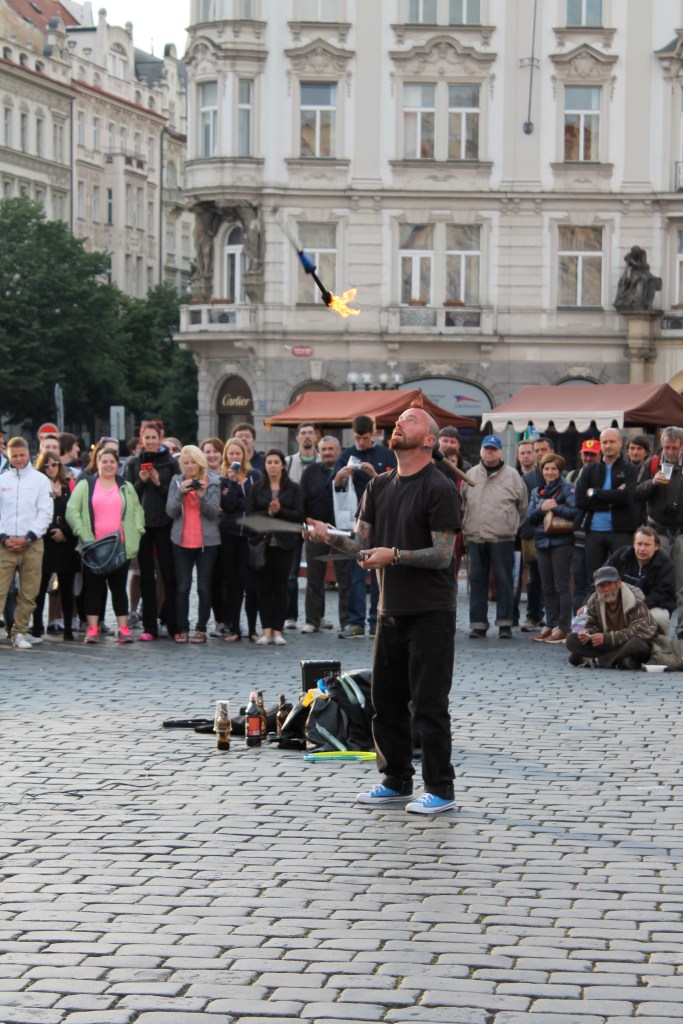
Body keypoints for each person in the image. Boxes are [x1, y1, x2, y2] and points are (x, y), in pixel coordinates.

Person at [307, 406, 461, 815]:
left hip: (431, 611)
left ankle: (440, 789)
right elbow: (361, 544)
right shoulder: (378, 487)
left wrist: (394, 555)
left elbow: (443, 554)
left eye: (411, 420)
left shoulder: (440, 486)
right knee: (385, 702)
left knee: (428, 705)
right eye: (399, 420)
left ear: (428, 440)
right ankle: (396, 780)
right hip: (389, 609)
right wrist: (329, 537)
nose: (399, 424)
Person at [65, 448, 144, 644]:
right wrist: (83, 534)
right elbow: (72, 510)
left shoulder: (126, 486)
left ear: (117, 464)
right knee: (93, 589)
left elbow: (137, 510)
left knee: (119, 589)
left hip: (120, 547)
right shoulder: (86, 485)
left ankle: (123, 628)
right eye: (104, 461)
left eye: (112, 461)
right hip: (93, 547)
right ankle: (93, 628)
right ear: (97, 463)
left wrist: (137, 531)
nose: (108, 465)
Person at [332, 414, 397, 639]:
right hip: (355, 521)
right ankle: (356, 622)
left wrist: (374, 475)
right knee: (357, 574)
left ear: (373, 433)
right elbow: (334, 485)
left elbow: (397, 485)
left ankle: (377, 620)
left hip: (382, 520)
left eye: (365, 438)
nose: (361, 442)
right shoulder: (346, 455)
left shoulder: (386, 454)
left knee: (380, 571)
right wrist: (340, 476)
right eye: (357, 438)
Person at [461, 434, 528, 639]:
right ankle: (478, 624)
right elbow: (463, 503)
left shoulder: (513, 476)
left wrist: (511, 525)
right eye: (486, 449)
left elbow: (523, 507)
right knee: (477, 581)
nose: (489, 452)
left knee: (504, 581)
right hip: (475, 536)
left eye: (493, 449)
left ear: (500, 452)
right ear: (481, 451)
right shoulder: (470, 474)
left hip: (503, 537)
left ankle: (505, 623)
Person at [124, 421, 180, 641]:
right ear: (141, 439)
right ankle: (149, 627)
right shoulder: (133, 462)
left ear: (160, 439)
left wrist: (158, 483)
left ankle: (173, 625)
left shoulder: (170, 463)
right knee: (145, 576)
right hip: (142, 526)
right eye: (146, 438)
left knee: (168, 575)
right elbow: (127, 494)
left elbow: (175, 495)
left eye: (153, 438)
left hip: (165, 524)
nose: (150, 441)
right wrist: (142, 481)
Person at [245, 448, 304, 646]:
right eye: (269, 462)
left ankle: (278, 631)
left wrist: (279, 512)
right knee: (263, 588)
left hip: (285, 543)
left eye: (276, 462)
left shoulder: (293, 488)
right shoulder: (257, 488)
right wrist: (268, 514)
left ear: (283, 465)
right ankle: (266, 631)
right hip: (262, 543)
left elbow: (299, 516)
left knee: (280, 587)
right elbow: (250, 514)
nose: (272, 466)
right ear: (264, 465)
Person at [0, 437, 52, 650]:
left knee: (29, 593)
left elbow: (45, 512)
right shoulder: (2, 480)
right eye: (14, 456)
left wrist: (29, 537)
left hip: (32, 543)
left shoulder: (40, 480)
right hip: (5, 544)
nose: (19, 459)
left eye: (22, 455)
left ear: (28, 454)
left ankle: (20, 632)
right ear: (8, 456)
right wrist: (4, 537)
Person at [166, 445, 221, 644]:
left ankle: (201, 629)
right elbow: (170, 512)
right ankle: (182, 628)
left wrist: (202, 496)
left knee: (204, 587)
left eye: (193, 462)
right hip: (182, 542)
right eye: (186, 463)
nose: (190, 466)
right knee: (182, 587)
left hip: (207, 543)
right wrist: (180, 493)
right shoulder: (176, 481)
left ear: (200, 463)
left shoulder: (213, 482)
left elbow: (214, 513)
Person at [575, 427, 639, 587]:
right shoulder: (590, 469)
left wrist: (595, 492)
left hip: (621, 531)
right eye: (605, 442)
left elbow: (627, 497)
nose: (608, 445)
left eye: (612, 442)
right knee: (594, 579)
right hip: (594, 532)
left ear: (620, 443)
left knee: (623, 576)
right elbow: (580, 500)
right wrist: (611, 499)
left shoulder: (630, 469)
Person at [635, 426, 683, 637]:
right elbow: (636, 493)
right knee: (656, 581)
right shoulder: (652, 463)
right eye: (667, 447)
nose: (670, 452)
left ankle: (681, 633)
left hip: (680, 533)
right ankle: (654, 629)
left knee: (682, 585)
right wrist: (652, 483)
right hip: (657, 532)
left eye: (674, 448)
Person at [300, 435, 350, 633]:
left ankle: (346, 621)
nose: (327, 453)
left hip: (342, 532)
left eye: (331, 449)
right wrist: (306, 526)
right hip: (317, 531)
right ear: (318, 452)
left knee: (345, 578)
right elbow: (302, 502)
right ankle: (313, 620)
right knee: (314, 578)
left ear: (339, 450)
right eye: (324, 449)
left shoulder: (347, 471)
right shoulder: (310, 472)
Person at [525, 453, 576, 643]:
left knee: (561, 586)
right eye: (546, 468)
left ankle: (563, 626)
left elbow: (575, 512)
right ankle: (550, 623)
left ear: (560, 470)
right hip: (542, 541)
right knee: (546, 587)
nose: (550, 472)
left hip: (562, 541)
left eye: (554, 468)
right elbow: (530, 518)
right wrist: (542, 508)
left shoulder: (568, 488)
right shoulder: (537, 491)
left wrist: (555, 508)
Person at [566, 565, 658, 670]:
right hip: (609, 645)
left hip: (631, 642)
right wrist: (587, 633)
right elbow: (593, 625)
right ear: (596, 588)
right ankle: (618, 659)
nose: (606, 589)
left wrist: (607, 638)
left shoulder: (634, 599)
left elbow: (639, 632)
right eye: (601, 586)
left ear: (618, 583)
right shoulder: (594, 600)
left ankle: (600, 661)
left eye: (609, 584)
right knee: (571, 640)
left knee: (636, 644)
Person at [31, 451, 79, 642]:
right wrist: (52, 498)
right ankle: (36, 627)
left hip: (65, 542)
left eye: (54, 464)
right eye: (46, 465)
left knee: (66, 588)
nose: (50, 469)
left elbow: (75, 512)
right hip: (44, 540)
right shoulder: (37, 487)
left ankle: (68, 628)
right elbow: (34, 512)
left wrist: (64, 532)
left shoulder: (68, 486)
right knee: (39, 587)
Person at [218, 437, 262, 643]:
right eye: (231, 453)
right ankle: (234, 628)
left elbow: (254, 504)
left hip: (250, 537)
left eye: (238, 453)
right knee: (232, 584)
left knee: (251, 585)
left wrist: (238, 500)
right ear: (226, 456)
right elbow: (228, 505)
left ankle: (252, 629)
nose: (234, 456)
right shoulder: (223, 479)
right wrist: (234, 484)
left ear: (244, 455)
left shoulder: (255, 476)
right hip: (229, 535)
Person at [283, 422, 321, 629]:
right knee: (291, 573)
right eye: (303, 433)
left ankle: (317, 616)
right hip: (293, 524)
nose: (307, 436)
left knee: (317, 572)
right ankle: (290, 616)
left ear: (316, 436)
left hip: (317, 523)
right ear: (297, 437)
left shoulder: (324, 461)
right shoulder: (288, 463)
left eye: (310, 433)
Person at [605, 527, 675, 633]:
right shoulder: (621, 555)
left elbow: (662, 594)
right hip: (619, 604)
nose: (642, 548)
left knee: (660, 618)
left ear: (656, 546)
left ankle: (657, 643)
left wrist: (635, 608)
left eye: (647, 545)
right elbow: (602, 578)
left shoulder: (666, 564)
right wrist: (586, 603)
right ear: (633, 544)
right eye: (639, 544)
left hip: (651, 606)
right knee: (588, 613)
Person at [518, 434, 554, 632]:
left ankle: (555, 618)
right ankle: (533, 615)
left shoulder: (562, 475)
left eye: (543, 450)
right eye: (537, 450)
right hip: (533, 533)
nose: (540, 454)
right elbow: (523, 508)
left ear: (551, 451)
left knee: (555, 579)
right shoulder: (527, 478)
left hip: (557, 534)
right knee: (534, 579)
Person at [566, 438, 602, 611]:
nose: (588, 458)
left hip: (599, 536)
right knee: (579, 583)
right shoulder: (572, 476)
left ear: (600, 455)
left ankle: (595, 620)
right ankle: (578, 622)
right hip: (578, 538)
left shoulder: (605, 475)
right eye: (585, 454)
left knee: (595, 583)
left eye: (592, 455)